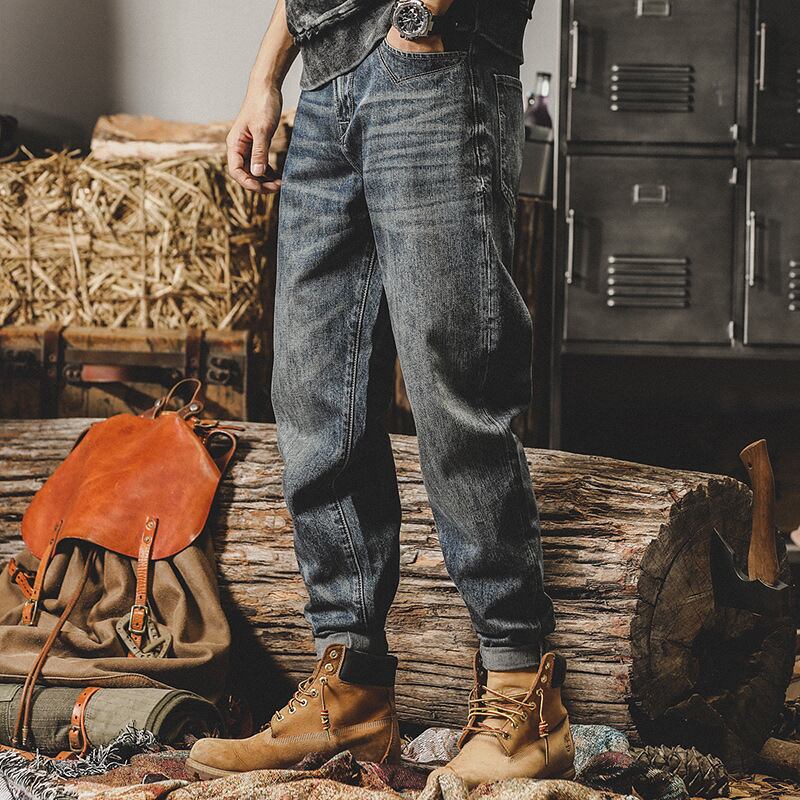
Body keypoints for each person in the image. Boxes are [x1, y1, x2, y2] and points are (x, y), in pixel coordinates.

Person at [187, 0, 574, 787]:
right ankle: (352, 687)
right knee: (314, 392)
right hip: (327, 77)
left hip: (434, 62)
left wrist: (420, 17)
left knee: (456, 391)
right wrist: (267, 76)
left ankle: (522, 691)